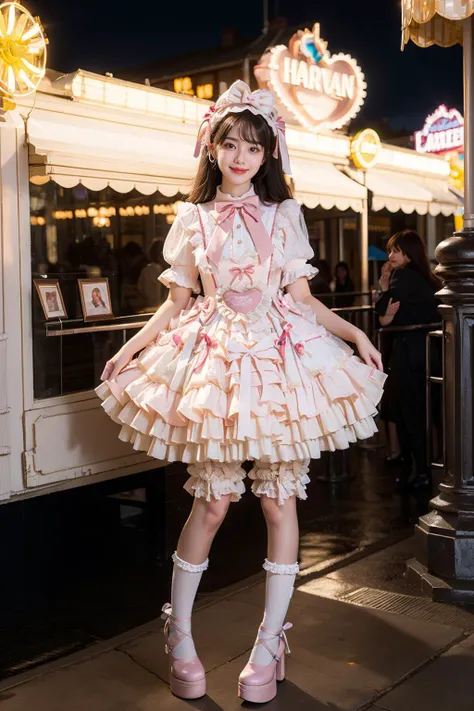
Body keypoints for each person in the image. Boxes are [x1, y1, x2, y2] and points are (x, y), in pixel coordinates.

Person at [96, 81, 385, 703]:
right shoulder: (191, 217)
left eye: (252, 147)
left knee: (280, 503)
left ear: (267, 155)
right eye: (229, 143)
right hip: (216, 363)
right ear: (212, 148)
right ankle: (179, 640)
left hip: (279, 358)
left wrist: (355, 333)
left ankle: (270, 642)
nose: (240, 156)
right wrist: (127, 350)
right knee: (214, 502)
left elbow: (303, 300)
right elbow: (175, 306)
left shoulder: (285, 216)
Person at [375, 230, 441, 490]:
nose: (390, 256)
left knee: (408, 415)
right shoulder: (430, 279)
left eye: (396, 251)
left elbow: (382, 315)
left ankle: (418, 470)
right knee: (427, 413)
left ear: (409, 254)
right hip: (431, 355)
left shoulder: (402, 276)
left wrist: (382, 288)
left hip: (408, 356)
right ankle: (424, 468)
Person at [137, 239, 168, 309]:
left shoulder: (151, 269)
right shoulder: (154, 269)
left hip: (154, 307)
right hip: (155, 307)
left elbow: (140, 288)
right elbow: (155, 295)